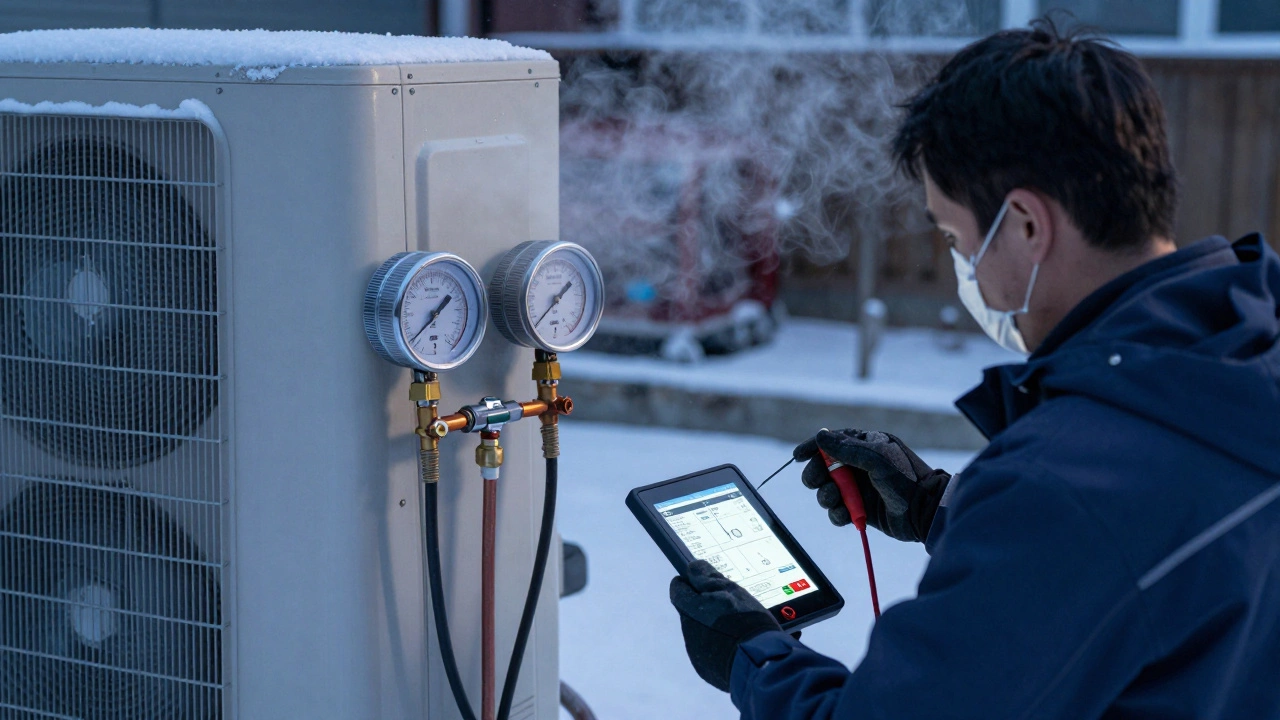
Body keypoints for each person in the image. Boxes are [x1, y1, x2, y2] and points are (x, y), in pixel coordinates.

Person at [668, 18, 1280, 719]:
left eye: (959, 240)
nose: (971, 277)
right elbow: (1137, 570)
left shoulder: (1065, 482)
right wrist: (942, 510)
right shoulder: (1245, 358)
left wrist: (754, 656)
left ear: (1025, 224)